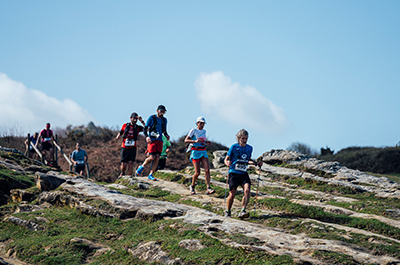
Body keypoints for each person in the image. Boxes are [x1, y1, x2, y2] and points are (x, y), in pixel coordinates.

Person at [224, 129, 263, 219]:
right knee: (232, 194)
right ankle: (228, 211)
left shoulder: (249, 148)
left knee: (247, 190)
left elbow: (248, 160)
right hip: (233, 173)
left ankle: (243, 210)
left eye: (246, 138)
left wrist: (256, 163)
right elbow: (226, 158)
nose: (245, 140)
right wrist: (227, 163)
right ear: (238, 138)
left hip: (243, 173)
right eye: (243, 138)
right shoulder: (233, 147)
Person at [136, 105, 170, 181]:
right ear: (157, 110)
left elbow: (164, 130)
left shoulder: (164, 120)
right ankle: (141, 167)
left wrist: (167, 135)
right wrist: (147, 137)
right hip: (152, 139)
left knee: (158, 157)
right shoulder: (152, 118)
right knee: (152, 157)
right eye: (161, 111)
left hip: (160, 140)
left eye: (163, 112)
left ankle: (151, 174)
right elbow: (145, 128)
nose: (162, 113)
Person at [184, 116, 214, 195]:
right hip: (195, 151)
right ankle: (192, 186)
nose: (202, 125)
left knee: (207, 170)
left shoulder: (204, 131)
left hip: (203, 151)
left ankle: (208, 187)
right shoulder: (193, 130)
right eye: (200, 123)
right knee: (197, 173)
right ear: (197, 123)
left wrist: (207, 142)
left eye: (203, 123)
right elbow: (186, 140)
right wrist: (194, 141)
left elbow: (203, 141)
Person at [116, 112, 145, 177]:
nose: (135, 120)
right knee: (124, 164)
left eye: (136, 119)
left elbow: (147, 129)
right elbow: (121, 132)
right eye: (134, 118)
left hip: (133, 147)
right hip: (124, 147)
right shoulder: (125, 125)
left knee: (131, 163)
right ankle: (122, 173)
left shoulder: (137, 127)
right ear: (130, 118)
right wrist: (119, 135)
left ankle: (129, 177)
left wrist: (142, 121)